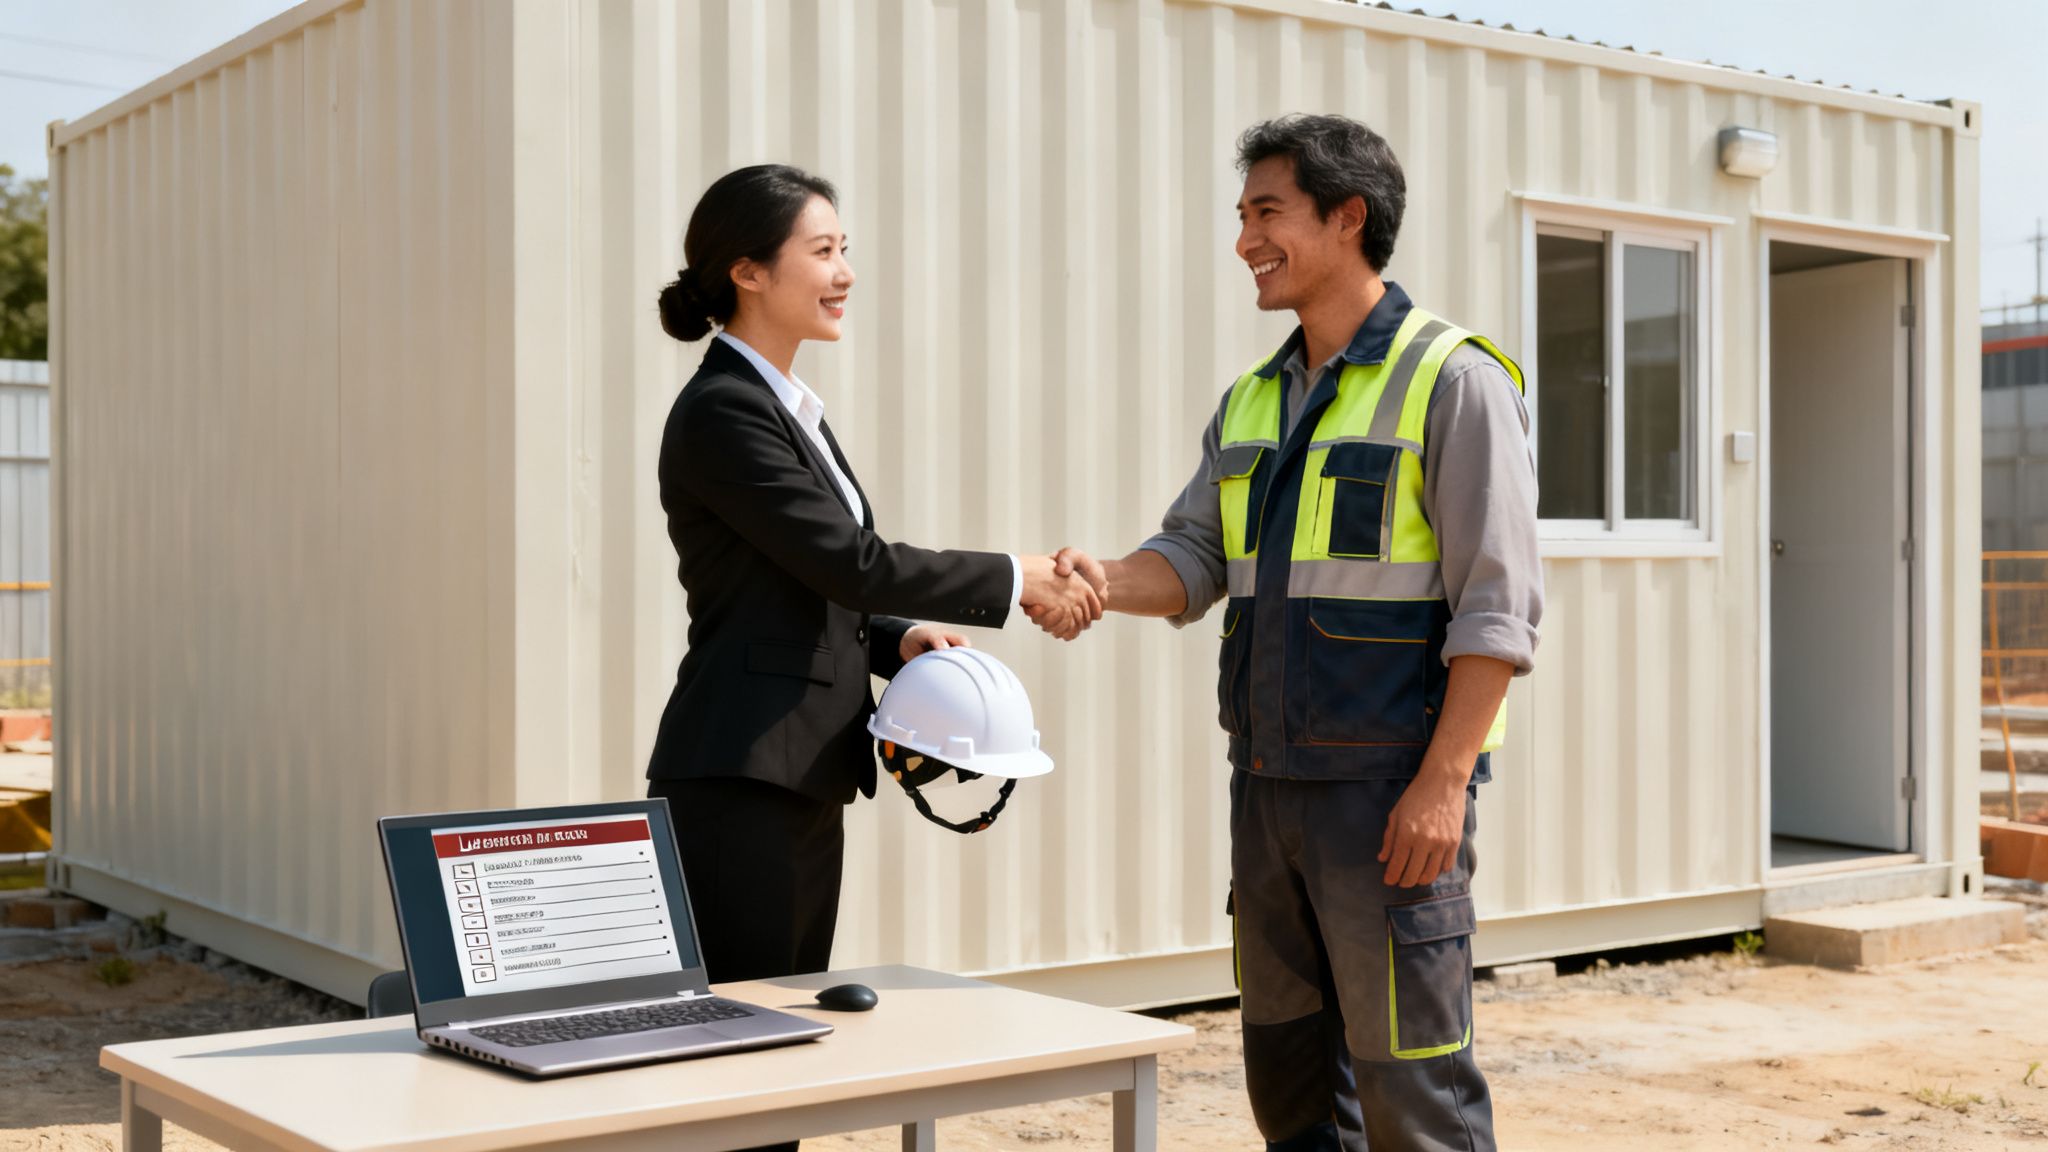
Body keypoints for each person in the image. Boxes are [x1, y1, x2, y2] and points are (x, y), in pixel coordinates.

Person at [1042, 115, 1542, 1152]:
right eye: (1241, 217)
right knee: (1291, 1087)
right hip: (1266, 793)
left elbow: (1497, 611)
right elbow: (1191, 557)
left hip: (1388, 801)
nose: (1243, 242)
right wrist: (1098, 579)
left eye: (1265, 213)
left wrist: (1440, 785)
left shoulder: (1451, 382)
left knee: (1414, 1095)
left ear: (1346, 218)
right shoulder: (1250, 403)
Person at [647, 166, 1104, 1152]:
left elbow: (804, 589)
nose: (845, 271)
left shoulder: (782, 406)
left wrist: (897, 638)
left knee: (780, 1063)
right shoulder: (725, 412)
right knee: (742, 1070)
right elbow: (848, 562)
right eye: (822, 251)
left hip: (794, 771)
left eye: (844, 248)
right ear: (747, 273)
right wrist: (1012, 574)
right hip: (739, 778)